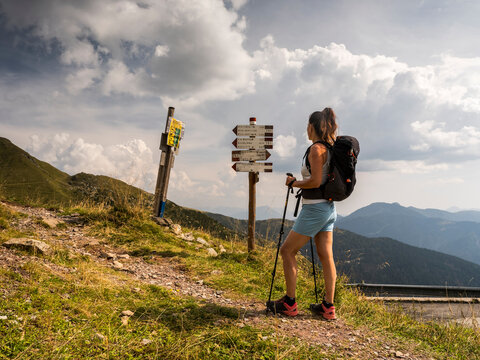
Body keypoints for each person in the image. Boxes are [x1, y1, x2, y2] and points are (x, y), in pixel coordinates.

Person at [267, 108, 338, 320]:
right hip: (328, 208)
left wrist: (294, 183)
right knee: (326, 256)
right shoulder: (330, 148)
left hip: (314, 208)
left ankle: (289, 303)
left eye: (307, 125)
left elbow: (316, 181)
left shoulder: (316, 149)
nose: (306, 129)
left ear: (312, 126)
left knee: (287, 251)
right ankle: (328, 307)